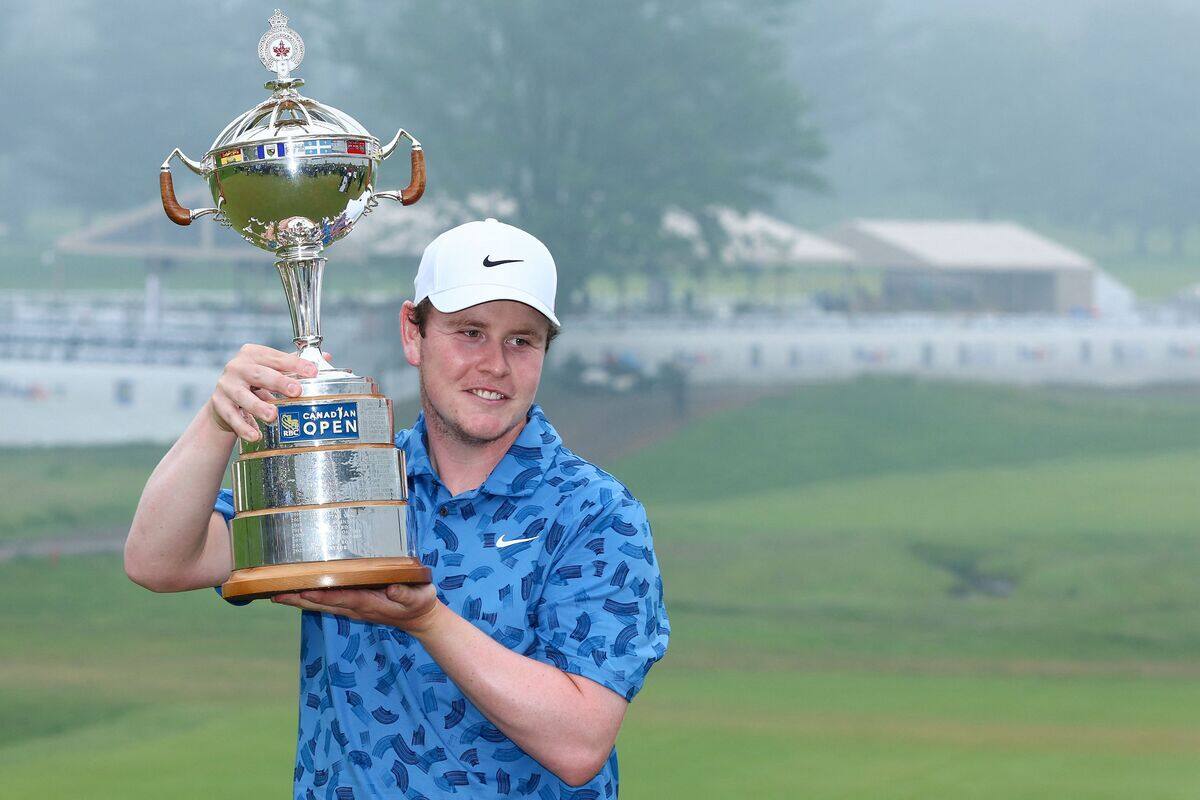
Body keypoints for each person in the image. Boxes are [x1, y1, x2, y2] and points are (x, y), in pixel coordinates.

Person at [124, 218, 670, 798]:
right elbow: (159, 561)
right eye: (470, 332)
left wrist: (425, 620)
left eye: (522, 340)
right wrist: (219, 419)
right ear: (414, 333)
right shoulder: (347, 472)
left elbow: (580, 743)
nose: (495, 364)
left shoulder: (595, 513)